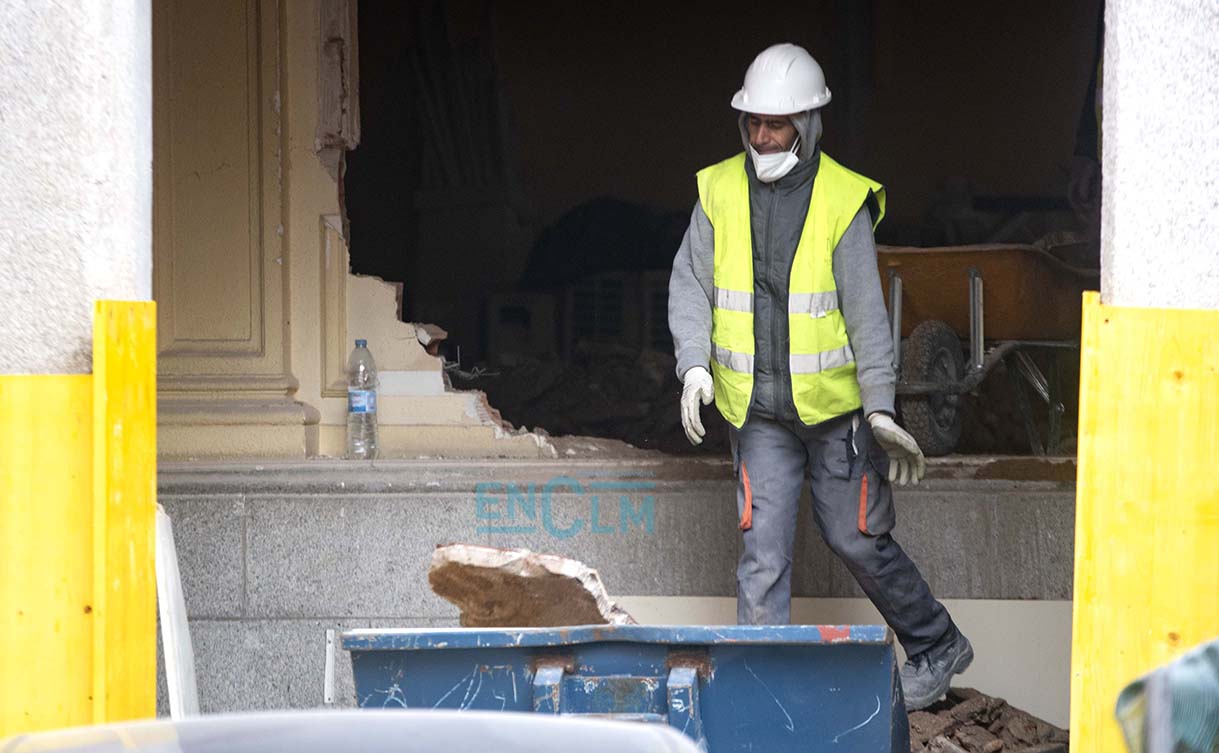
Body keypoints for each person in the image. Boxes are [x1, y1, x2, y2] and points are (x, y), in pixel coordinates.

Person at [667, 43, 972, 710]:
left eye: (776, 124)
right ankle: (761, 689)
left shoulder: (841, 198)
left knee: (856, 539)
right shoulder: (717, 189)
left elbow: (866, 312)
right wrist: (693, 364)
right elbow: (689, 283)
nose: (761, 136)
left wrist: (880, 408)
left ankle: (935, 642)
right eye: (753, 123)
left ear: (806, 124)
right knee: (762, 555)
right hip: (758, 413)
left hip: (833, 413)